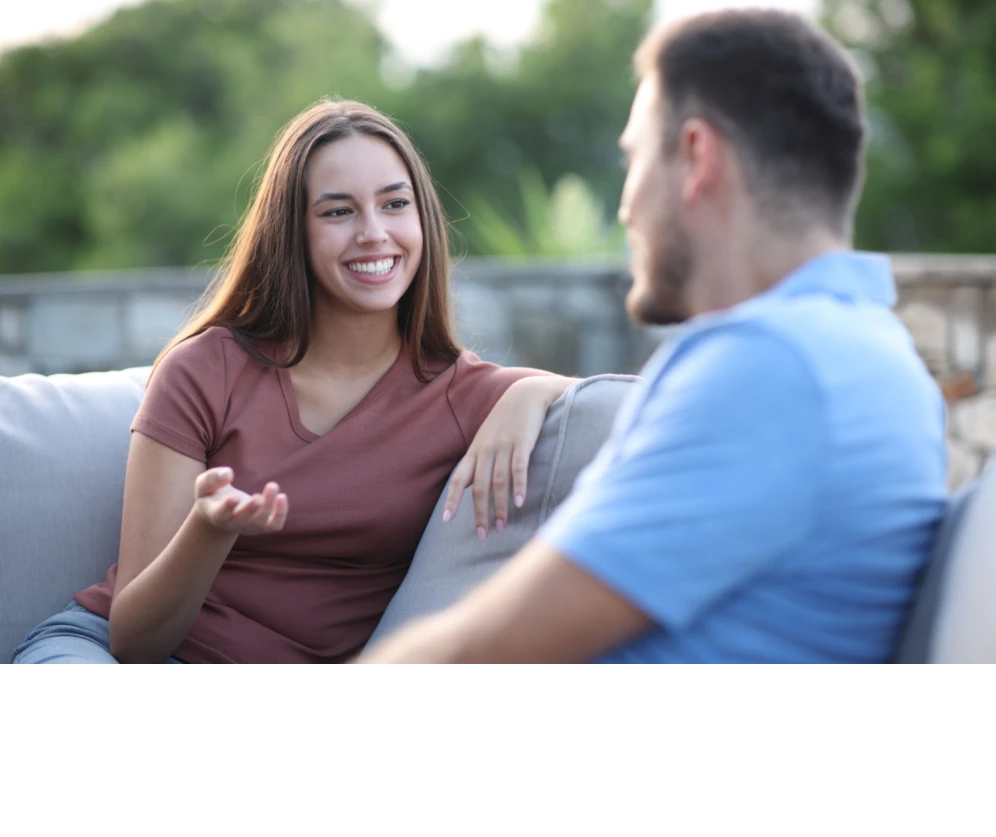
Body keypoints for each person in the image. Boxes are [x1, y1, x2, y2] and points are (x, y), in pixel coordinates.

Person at [359, 9, 949, 664]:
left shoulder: (769, 366)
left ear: (696, 157)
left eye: (634, 159)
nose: (624, 206)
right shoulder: (870, 350)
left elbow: (480, 649)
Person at [12, 100, 575, 664]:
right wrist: (210, 530)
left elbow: (622, 398)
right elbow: (134, 641)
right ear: (292, 232)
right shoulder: (205, 370)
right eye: (338, 212)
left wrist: (532, 392)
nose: (374, 234)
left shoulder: (464, 395)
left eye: (395, 204)